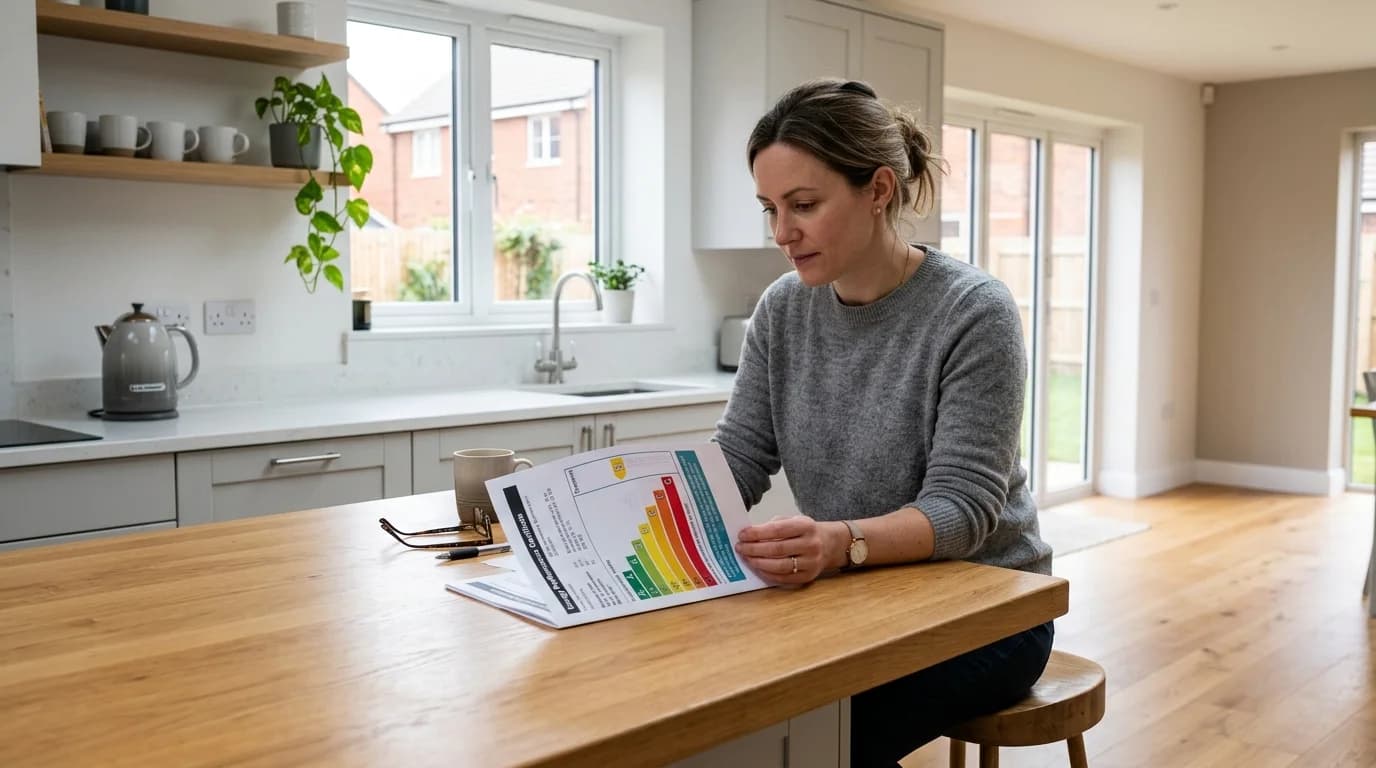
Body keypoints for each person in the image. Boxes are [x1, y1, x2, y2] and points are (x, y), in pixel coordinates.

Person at [713, 78, 1055, 767]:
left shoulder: (973, 312)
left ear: (878, 190)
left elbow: (961, 512)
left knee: (813, 740)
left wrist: (836, 544)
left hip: (990, 608)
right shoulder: (782, 310)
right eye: (770, 209)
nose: (782, 233)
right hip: (856, 600)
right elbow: (740, 456)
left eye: (804, 205)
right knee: (737, 722)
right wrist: (623, 517)